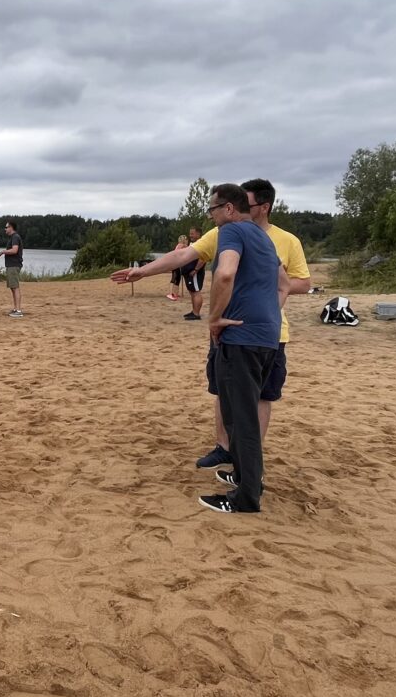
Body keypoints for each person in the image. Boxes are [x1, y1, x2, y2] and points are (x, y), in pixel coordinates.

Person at [111, 184, 286, 514]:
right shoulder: (264, 237)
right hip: (266, 337)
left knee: (241, 418)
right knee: (238, 413)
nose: (211, 216)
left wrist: (215, 318)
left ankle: (248, 497)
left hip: (241, 338)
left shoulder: (231, 232)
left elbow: (225, 273)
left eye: (213, 210)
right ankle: (245, 477)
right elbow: (284, 284)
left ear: (229, 210)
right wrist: (141, 272)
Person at [193, 179, 312, 477]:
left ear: (264, 207)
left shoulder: (279, 239)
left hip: (257, 333)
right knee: (224, 391)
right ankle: (228, 451)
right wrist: (142, 271)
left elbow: (299, 283)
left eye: (249, 205)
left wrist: (215, 318)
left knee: (259, 399)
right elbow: (186, 255)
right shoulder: (230, 233)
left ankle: (247, 470)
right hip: (240, 332)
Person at [0, 220, 25, 316]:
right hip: (11, 265)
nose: (5, 229)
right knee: (13, 287)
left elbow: (15, 250)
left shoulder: (15, 237)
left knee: (15, 287)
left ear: (11, 227)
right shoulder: (13, 237)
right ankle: (15, 308)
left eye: (6, 227)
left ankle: (18, 311)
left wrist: (3, 251)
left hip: (14, 265)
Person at [183, 226, 208, 320]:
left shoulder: (202, 244)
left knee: (196, 292)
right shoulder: (193, 243)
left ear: (198, 234)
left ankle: (196, 313)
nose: (190, 235)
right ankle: (193, 311)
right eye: (190, 233)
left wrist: (196, 270)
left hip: (195, 273)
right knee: (192, 292)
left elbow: (203, 258)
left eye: (192, 233)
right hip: (189, 272)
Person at [167, 234, 188, 301]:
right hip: (176, 264)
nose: (187, 241)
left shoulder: (179, 245)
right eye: (186, 239)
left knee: (176, 278)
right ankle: (172, 293)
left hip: (176, 264)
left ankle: (174, 292)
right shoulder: (182, 246)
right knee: (176, 278)